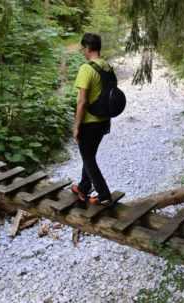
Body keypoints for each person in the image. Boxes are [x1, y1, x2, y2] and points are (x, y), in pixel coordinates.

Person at [71, 33, 112, 206]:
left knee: (88, 158)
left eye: (83, 48)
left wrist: (76, 125)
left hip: (89, 122)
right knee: (90, 155)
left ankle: (104, 195)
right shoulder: (107, 66)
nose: (82, 51)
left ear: (87, 47)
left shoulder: (86, 69)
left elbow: (82, 101)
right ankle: (83, 186)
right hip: (104, 121)